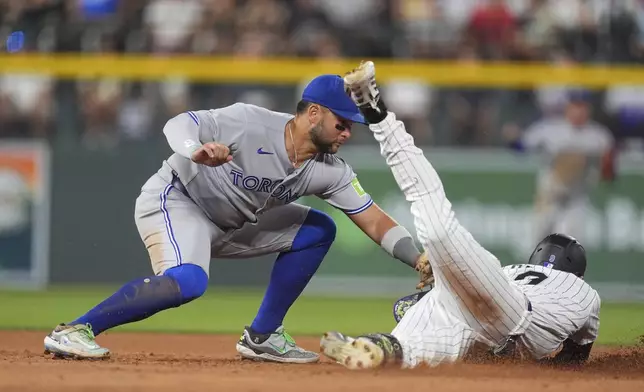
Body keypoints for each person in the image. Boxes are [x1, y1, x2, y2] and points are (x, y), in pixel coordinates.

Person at [43, 74, 432, 363]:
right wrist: (195, 150)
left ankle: (262, 336)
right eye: (341, 123)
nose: (347, 132)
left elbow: (372, 219)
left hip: (232, 223)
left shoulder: (329, 169)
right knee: (190, 282)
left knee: (318, 230)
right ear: (313, 113)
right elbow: (177, 125)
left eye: (351, 126)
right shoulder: (249, 122)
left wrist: (416, 258)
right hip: (178, 200)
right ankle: (76, 329)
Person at [320, 61, 601, 370]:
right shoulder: (585, 293)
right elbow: (574, 357)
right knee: (439, 249)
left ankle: (382, 344)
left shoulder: (516, 270)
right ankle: (383, 347)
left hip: (487, 305)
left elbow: (470, 290)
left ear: (538, 257)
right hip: (516, 320)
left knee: (422, 331)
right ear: (577, 269)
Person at [503, 89, 615, 243]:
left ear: (589, 109)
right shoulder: (550, 129)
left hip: (577, 199)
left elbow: (609, 172)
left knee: (569, 244)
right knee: (536, 241)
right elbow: (522, 147)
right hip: (549, 196)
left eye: (582, 106)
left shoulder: (599, 135)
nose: (579, 111)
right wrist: (512, 139)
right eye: (575, 106)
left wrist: (605, 167)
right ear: (567, 107)